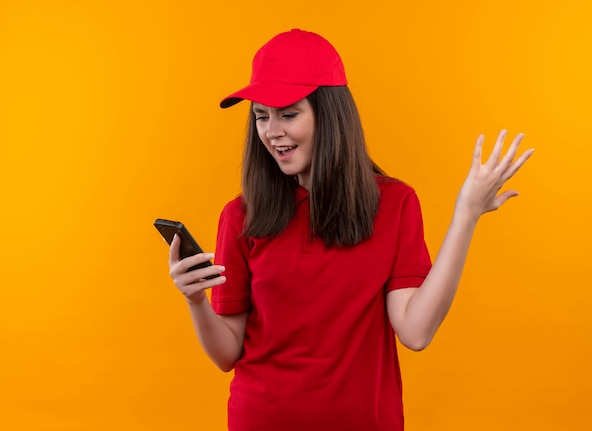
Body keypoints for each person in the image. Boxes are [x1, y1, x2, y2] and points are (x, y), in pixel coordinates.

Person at [167, 29, 534, 431]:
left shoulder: (394, 204)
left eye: (288, 114)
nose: (272, 131)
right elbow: (227, 354)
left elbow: (415, 331)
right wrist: (196, 300)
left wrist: (466, 214)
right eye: (261, 116)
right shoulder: (240, 215)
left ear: (330, 114)